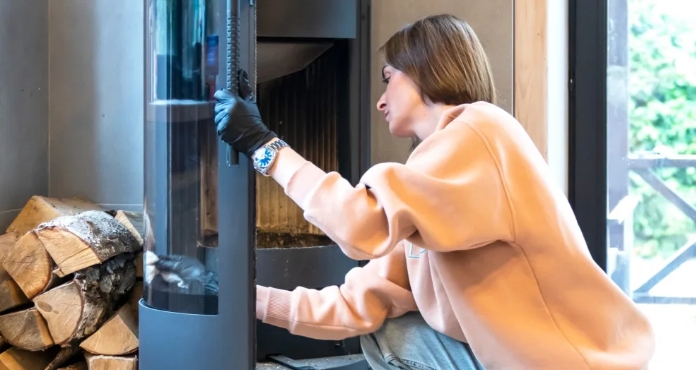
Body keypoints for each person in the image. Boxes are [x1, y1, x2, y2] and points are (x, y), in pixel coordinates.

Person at [213, 14, 655, 370]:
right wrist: (246, 298)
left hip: (569, 363)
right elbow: (358, 304)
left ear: (424, 69)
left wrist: (264, 147)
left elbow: (359, 224)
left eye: (389, 78)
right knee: (388, 329)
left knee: (397, 335)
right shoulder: (429, 187)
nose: (381, 99)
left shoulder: (483, 131)